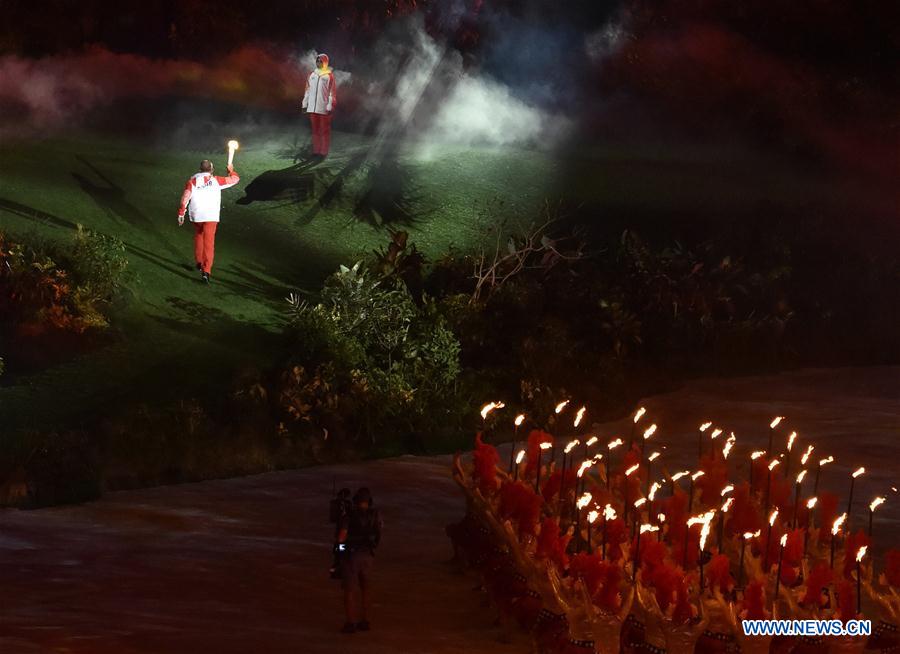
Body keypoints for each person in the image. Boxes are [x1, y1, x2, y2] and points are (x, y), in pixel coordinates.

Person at [177, 159, 240, 284]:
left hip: (197, 215)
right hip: (211, 216)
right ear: (212, 169)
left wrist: (181, 213)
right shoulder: (216, 180)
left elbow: (185, 197)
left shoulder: (192, 182)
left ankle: (199, 262)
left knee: (199, 236)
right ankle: (206, 271)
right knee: (209, 243)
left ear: (200, 169)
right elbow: (235, 179)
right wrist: (231, 170)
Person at [336, 487, 383, 634]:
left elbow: (341, 538)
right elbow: (378, 534)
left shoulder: (349, 515)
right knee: (366, 589)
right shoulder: (375, 515)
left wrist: (340, 552)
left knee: (349, 591)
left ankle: (350, 623)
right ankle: (365, 621)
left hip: (351, 556)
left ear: (356, 501)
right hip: (368, 556)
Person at [301, 53, 337, 158]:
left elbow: (332, 93)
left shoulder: (329, 76)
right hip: (312, 108)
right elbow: (307, 90)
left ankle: (323, 152)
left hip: (324, 108)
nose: (318, 63)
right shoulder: (311, 75)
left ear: (325, 62)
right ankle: (316, 151)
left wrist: (329, 105)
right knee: (315, 130)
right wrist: (304, 104)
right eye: (317, 61)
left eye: (321, 61)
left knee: (324, 131)